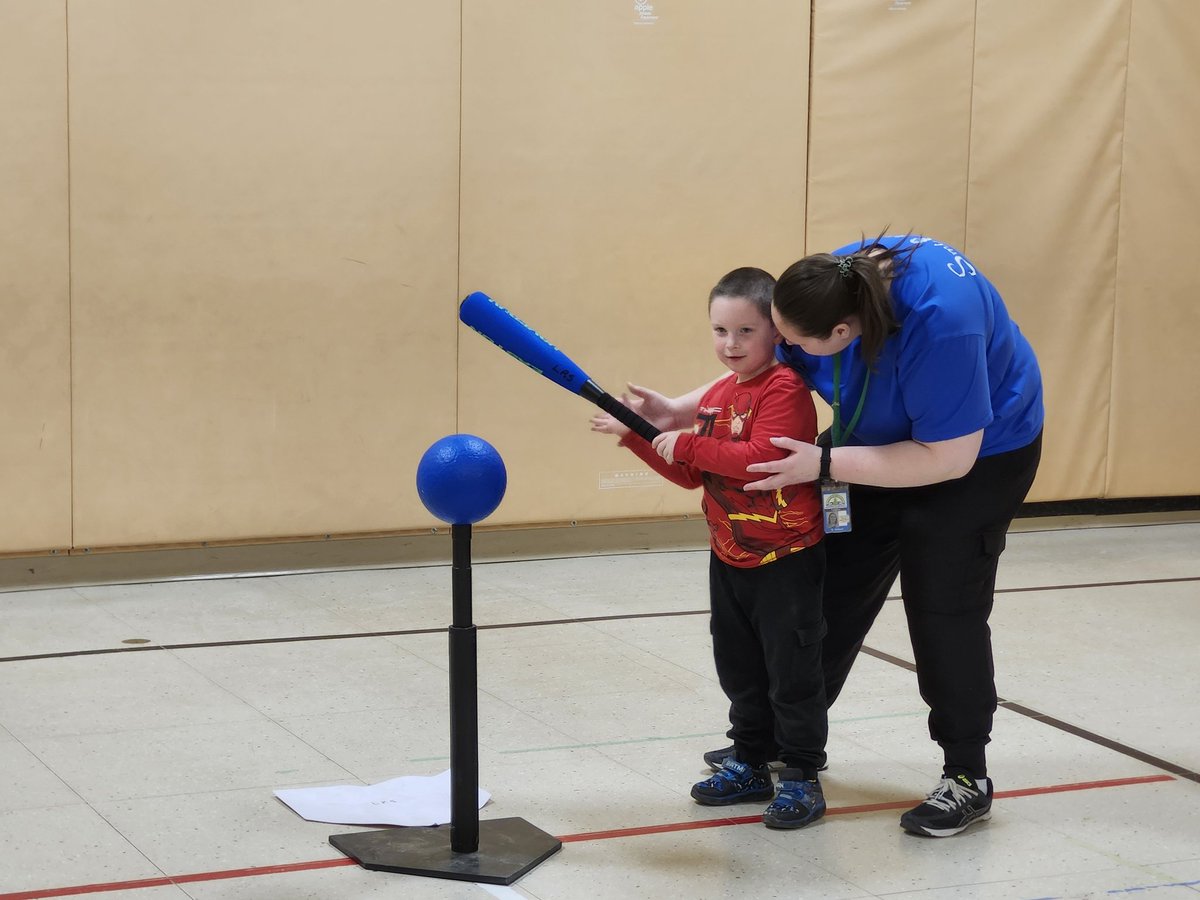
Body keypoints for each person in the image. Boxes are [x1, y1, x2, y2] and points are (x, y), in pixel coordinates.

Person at [627, 233, 1044, 838]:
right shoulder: (832, 281)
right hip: (869, 443)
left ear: (844, 332)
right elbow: (765, 365)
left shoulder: (943, 327)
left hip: (973, 459)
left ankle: (965, 774)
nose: (786, 351)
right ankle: (781, 741)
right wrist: (681, 410)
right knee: (817, 594)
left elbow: (947, 458)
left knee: (942, 608)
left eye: (796, 345)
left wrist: (823, 463)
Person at [591, 267, 829, 829]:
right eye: (720, 331)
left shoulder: (785, 388)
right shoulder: (719, 396)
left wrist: (686, 443)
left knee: (791, 672)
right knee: (738, 665)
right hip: (729, 556)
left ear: (776, 332)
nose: (731, 344)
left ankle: (800, 773)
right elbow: (691, 475)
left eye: (746, 331)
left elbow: (761, 459)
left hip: (786, 559)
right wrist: (639, 437)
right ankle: (749, 760)